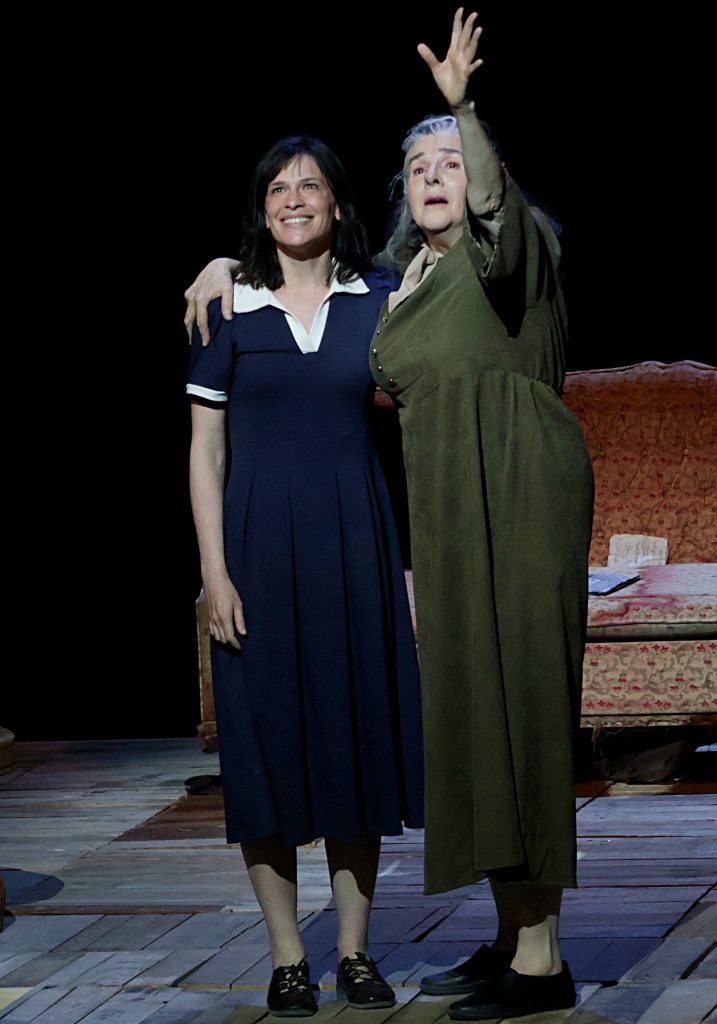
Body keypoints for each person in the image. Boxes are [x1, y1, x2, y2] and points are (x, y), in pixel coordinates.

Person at [186, 11, 593, 1019]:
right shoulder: (404, 284)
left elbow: (495, 215)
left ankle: (540, 958)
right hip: (442, 517)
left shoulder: (506, 251)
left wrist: (462, 107)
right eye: (416, 165)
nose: (433, 174)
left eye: (450, 161)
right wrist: (220, 267)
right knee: (471, 719)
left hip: (512, 494)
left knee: (519, 710)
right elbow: (244, 375)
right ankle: (511, 936)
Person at [187, 134, 424, 1017]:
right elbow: (205, 451)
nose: (293, 200)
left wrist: (410, 568)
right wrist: (214, 572)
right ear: (261, 209)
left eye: (310, 186)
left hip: (355, 548)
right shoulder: (227, 306)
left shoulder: (380, 300)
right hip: (254, 553)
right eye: (277, 189)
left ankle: (355, 952)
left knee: (353, 744)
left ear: (337, 204)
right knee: (265, 754)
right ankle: (289, 957)